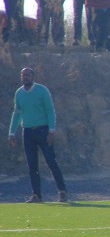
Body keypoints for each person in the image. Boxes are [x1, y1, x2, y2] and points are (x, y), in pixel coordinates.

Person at [8, 67, 68, 203]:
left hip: (43, 130)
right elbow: (16, 113)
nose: (25, 77)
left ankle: (62, 191)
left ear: (33, 76)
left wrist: (51, 130)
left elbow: (50, 110)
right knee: (32, 165)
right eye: (23, 75)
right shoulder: (19, 93)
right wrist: (12, 132)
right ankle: (36, 195)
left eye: (28, 75)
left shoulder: (42, 90)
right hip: (27, 132)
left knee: (51, 161)